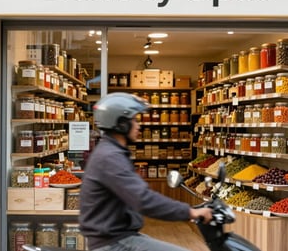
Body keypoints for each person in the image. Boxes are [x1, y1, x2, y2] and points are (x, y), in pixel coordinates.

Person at [79, 92, 213, 251]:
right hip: (113, 243)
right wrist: (190, 212)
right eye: (134, 120)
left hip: (119, 236)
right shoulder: (110, 157)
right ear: (121, 124)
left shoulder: (111, 151)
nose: (138, 125)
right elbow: (143, 199)